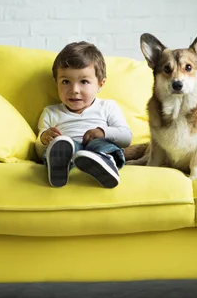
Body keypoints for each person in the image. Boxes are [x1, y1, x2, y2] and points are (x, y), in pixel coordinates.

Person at [35, 41, 132, 189]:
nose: (74, 90)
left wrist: (102, 132)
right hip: (69, 154)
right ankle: (59, 169)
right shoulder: (51, 112)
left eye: (84, 82)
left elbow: (126, 137)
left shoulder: (107, 107)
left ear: (100, 84)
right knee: (63, 145)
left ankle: (103, 163)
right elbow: (38, 151)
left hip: (99, 148)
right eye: (66, 81)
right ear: (56, 83)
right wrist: (44, 139)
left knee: (99, 145)